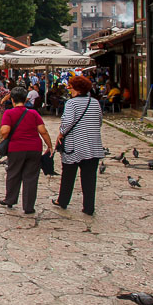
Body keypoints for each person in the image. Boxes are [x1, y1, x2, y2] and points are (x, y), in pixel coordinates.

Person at [53, 75, 105, 215]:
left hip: (75, 145)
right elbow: (99, 122)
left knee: (68, 175)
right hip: (93, 146)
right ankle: (89, 207)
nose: (69, 89)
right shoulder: (95, 103)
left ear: (75, 88)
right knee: (89, 177)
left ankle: (63, 200)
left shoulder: (72, 103)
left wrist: (61, 133)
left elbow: (68, 122)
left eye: (70, 86)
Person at [0, 86, 53, 214]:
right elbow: (43, 131)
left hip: (16, 148)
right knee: (31, 177)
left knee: (13, 174)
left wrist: (4, 133)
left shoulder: (9, 113)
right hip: (34, 148)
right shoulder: (33, 113)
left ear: (12, 100)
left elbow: (5, 131)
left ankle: (10, 199)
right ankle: (28, 206)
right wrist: (49, 145)